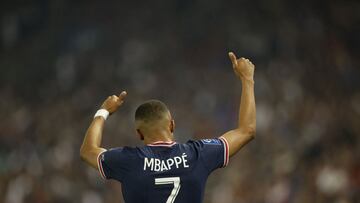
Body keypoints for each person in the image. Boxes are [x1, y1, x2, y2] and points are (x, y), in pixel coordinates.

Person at [80, 52, 256, 203]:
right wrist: (247, 79)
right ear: (172, 124)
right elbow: (247, 130)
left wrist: (103, 111)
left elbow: (88, 151)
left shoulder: (128, 160)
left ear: (139, 134)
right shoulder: (197, 154)